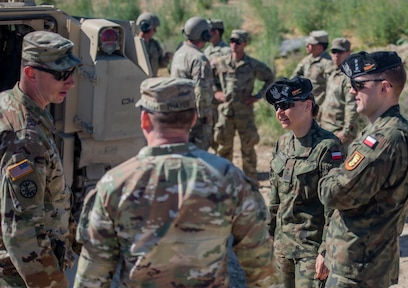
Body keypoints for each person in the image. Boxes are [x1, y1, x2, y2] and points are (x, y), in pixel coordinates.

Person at [74, 77, 276, 287]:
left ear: (144, 119)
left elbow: (92, 277)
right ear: (194, 119)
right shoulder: (229, 178)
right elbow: (261, 267)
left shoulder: (114, 184)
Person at [318, 51, 408, 287]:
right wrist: (327, 250)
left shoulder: (384, 139)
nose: (352, 90)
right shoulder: (384, 131)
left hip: (358, 269)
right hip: (358, 262)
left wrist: (330, 171)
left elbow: (332, 193)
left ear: (384, 87)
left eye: (358, 84)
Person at [0, 31, 81, 287]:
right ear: (30, 73)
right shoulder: (25, 138)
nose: (70, 82)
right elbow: (23, 231)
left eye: (71, 72)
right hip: (19, 276)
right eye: (60, 74)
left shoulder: (9, 103)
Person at [265, 77, 345, 287]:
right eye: (276, 107)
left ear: (307, 105)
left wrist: (326, 251)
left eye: (285, 106)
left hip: (310, 250)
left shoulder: (328, 147)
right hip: (282, 248)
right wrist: (267, 234)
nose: (279, 113)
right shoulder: (282, 144)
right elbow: (275, 197)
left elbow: (334, 206)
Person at [212, 29, 274, 182]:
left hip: (244, 113)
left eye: (238, 42)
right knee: (224, 148)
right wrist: (216, 92)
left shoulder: (252, 65)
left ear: (245, 44)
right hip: (226, 113)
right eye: (232, 41)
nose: (234, 44)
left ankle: (251, 181)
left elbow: (270, 78)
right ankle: (224, 181)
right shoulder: (221, 62)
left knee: (248, 148)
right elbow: (208, 78)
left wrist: (258, 96)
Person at [171, 16, 214, 151]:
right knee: (198, 154)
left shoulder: (179, 52)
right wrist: (206, 114)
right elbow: (201, 90)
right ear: (204, 35)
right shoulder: (198, 58)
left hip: (178, 111)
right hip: (194, 114)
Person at [320, 37, 359, 147]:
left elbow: (352, 105)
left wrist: (346, 132)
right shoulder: (332, 72)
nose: (337, 55)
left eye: (340, 52)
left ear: (348, 53)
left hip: (339, 130)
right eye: (334, 52)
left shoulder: (349, 76)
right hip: (326, 127)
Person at [291, 30, 333, 117]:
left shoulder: (327, 63)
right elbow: (294, 77)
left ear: (320, 48)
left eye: (311, 44)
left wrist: (324, 108)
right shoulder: (306, 60)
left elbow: (331, 89)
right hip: (306, 107)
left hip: (320, 109)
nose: (307, 45)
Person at [204, 19, 231, 152]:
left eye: (208, 31)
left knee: (221, 135)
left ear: (215, 32)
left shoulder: (226, 51)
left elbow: (229, 78)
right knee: (209, 134)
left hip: (221, 100)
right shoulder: (207, 51)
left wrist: (218, 92)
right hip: (209, 98)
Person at [136, 12, 172, 76]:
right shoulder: (134, 45)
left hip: (152, 82)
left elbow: (161, 64)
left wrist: (166, 58)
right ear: (145, 27)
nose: (155, 31)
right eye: (154, 29)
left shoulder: (155, 44)